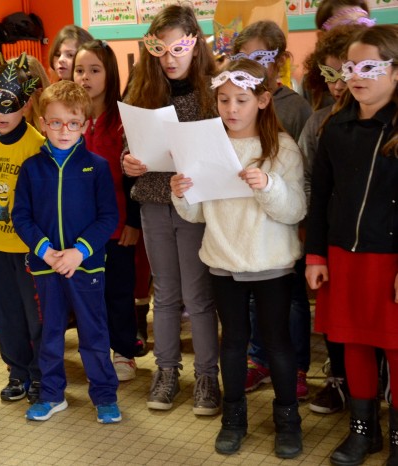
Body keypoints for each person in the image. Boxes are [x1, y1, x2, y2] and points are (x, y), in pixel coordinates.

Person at [172, 58, 306, 458]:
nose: (232, 109)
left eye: (242, 100)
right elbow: (197, 213)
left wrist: (268, 184)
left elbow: (295, 210)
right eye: (225, 100)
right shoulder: (210, 147)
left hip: (272, 263)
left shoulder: (282, 148)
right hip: (223, 260)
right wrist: (182, 191)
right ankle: (234, 419)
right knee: (232, 343)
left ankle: (288, 421)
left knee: (278, 342)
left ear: (263, 100)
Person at [122, 4, 221, 416]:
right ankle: (166, 372)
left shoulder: (212, 91)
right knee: (164, 293)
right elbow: (133, 149)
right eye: (160, 49)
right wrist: (129, 162)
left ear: (195, 44)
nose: (170, 57)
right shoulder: (141, 90)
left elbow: (222, 153)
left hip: (195, 206)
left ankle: (207, 377)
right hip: (153, 202)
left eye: (178, 47)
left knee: (198, 297)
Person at [305, 25, 398, 466]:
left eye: (369, 67)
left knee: (396, 349)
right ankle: (364, 432)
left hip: (391, 259)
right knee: (354, 345)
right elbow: (320, 195)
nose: (356, 75)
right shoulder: (334, 126)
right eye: (349, 67)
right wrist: (317, 253)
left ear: (395, 72)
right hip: (344, 255)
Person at [13, 80, 120, 423]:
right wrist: (45, 251)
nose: (64, 130)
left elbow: (108, 218)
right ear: (42, 122)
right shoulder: (31, 168)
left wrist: (78, 252)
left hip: (85, 266)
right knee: (50, 333)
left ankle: (104, 395)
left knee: (93, 332)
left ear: (85, 125)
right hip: (46, 267)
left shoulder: (97, 167)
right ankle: (52, 394)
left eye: (73, 123)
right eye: (55, 122)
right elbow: (22, 217)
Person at [231, 20, 313, 400]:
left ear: (279, 61)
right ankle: (258, 360)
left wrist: (301, 221)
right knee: (250, 300)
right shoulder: (231, 106)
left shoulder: (295, 108)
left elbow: (302, 171)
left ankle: (295, 366)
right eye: (243, 57)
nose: (253, 64)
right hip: (242, 227)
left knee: (291, 300)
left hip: (284, 223)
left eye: (261, 57)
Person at [298, 24, 360, 415]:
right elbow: (309, 182)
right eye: (330, 75)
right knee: (336, 317)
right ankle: (339, 382)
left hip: (373, 239)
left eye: (347, 74)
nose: (338, 85)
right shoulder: (319, 121)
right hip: (331, 235)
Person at [0, 53, 44, 403]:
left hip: (30, 248)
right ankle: (16, 372)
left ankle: (38, 374)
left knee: (35, 315)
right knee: (7, 312)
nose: (0, 114)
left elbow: (44, 202)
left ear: (26, 105)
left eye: (9, 106)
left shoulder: (37, 145)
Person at [73, 40, 141, 382]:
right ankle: (96, 350)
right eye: (80, 70)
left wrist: (133, 220)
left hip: (116, 225)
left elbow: (133, 173)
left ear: (109, 74)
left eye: (94, 70)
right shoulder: (70, 118)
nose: (85, 78)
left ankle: (125, 352)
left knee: (118, 290)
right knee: (88, 293)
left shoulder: (122, 117)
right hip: (78, 228)